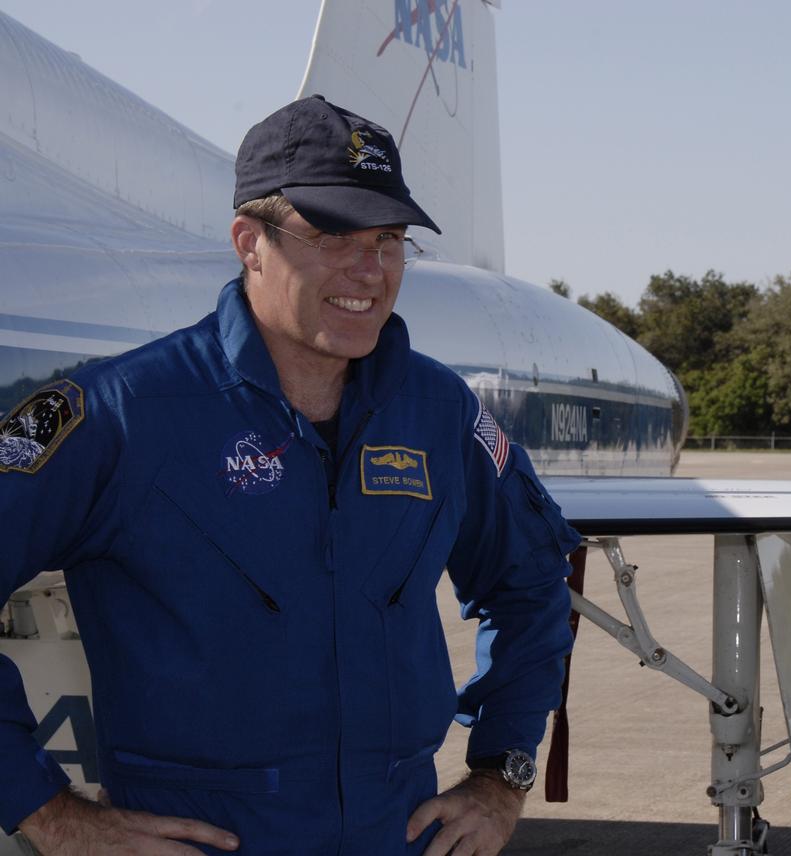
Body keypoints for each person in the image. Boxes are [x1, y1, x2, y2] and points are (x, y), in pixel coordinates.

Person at [0, 95, 579, 855]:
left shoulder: (438, 413)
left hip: (395, 834)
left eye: (390, 240)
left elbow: (534, 582)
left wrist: (501, 777)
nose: (369, 271)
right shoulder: (121, 415)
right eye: (334, 236)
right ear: (250, 241)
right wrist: (52, 816)